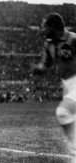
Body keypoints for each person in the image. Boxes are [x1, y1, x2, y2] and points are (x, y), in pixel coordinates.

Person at [32, 13, 76, 160]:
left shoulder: (73, 39)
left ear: (52, 28)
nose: (42, 30)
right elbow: (46, 63)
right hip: (67, 86)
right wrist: (39, 68)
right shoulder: (48, 43)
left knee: (63, 113)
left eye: (44, 26)